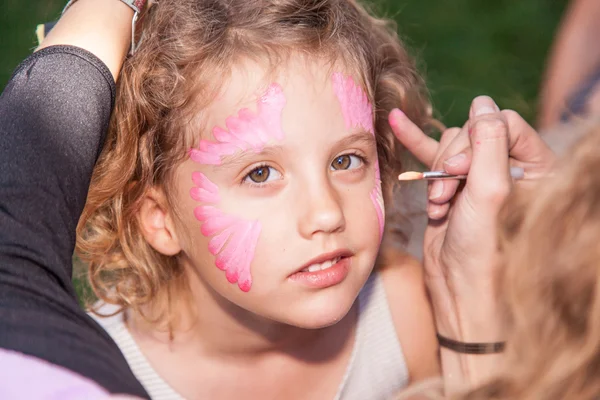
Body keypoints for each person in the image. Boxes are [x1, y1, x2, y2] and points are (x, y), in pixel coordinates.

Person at [75, 0, 442, 398]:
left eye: (345, 160)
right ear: (160, 218)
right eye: (260, 174)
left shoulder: (403, 313)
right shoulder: (88, 376)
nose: (326, 213)